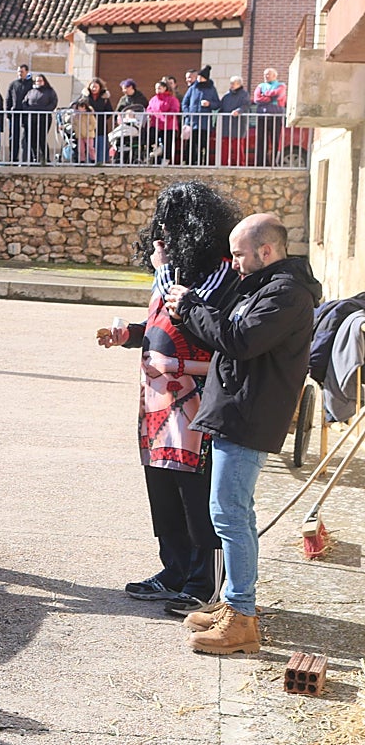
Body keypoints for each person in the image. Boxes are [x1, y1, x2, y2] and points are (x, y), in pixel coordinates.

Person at [164, 214, 320, 654]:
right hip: (238, 410)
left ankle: (241, 618)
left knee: (230, 515)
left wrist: (191, 307)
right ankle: (236, 602)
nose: (234, 263)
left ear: (265, 252)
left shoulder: (286, 293)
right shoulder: (263, 286)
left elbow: (239, 340)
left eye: (239, 255)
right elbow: (226, 334)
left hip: (249, 416)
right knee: (233, 513)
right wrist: (189, 312)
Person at [98, 182, 241, 617]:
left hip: (195, 408)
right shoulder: (175, 275)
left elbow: (207, 332)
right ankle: (175, 570)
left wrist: (176, 366)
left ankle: (204, 584)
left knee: (196, 497)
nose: (162, 235)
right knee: (164, 492)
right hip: (158, 407)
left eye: (171, 225)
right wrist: (129, 335)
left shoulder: (222, 279)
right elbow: (161, 325)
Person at [181, 66, 219, 165]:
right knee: (191, 143)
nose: (198, 79)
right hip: (192, 122)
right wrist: (187, 114)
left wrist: (209, 104)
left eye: (200, 77)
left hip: (205, 123)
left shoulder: (211, 89)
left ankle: (203, 162)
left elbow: (217, 104)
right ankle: (189, 162)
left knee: (203, 144)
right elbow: (185, 103)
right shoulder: (193, 88)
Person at [252, 68, 287, 167]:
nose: (266, 76)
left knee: (275, 140)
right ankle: (260, 163)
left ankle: (274, 163)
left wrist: (265, 94)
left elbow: (279, 95)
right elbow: (257, 99)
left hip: (276, 116)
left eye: (268, 74)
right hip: (262, 116)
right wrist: (270, 98)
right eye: (265, 74)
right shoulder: (260, 86)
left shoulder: (281, 85)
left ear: (274, 76)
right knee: (261, 140)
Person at [22, 73, 57, 164]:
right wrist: (29, 109)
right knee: (32, 139)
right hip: (32, 118)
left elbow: (53, 103)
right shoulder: (31, 92)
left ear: (44, 81)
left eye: (40, 80)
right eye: (37, 81)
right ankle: (35, 158)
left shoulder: (50, 91)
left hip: (44, 118)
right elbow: (24, 102)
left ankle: (46, 158)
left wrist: (44, 110)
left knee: (42, 138)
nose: (39, 82)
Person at [145, 80, 181, 164]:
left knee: (168, 143)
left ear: (165, 88)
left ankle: (166, 159)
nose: (157, 90)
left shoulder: (172, 99)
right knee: (151, 138)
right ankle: (155, 152)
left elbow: (175, 110)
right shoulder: (153, 99)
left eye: (159, 88)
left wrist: (165, 117)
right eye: (156, 88)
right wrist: (150, 115)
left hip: (168, 125)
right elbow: (149, 109)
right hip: (155, 123)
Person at [218, 76, 251, 167]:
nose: (231, 85)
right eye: (231, 83)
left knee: (238, 145)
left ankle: (239, 165)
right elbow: (221, 107)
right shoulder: (227, 95)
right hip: (226, 123)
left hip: (238, 124)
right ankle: (223, 164)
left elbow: (246, 105)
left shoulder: (244, 94)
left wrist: (238, 111)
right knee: (225, 145)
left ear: (239, 84)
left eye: (234, 83)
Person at [5, 64, 32, 163]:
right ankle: (13, 158)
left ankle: (28, 158)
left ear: (27, 72)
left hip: (27, 114)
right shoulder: (13, 84)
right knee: (13, 137)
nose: (20, 73)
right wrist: (8, 112)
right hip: (15, 113)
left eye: (22, 71)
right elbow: (8, 99)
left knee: (27, 137)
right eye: (19, 71)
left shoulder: (31, 84)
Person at [83, 78, 113, 165]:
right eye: (92, 86)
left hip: (101, 124)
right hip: (88, 124)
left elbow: (109, 110)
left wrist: (101, 117)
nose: (94, 88)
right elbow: (78, 105)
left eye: (96, 87)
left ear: (100, 87)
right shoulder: (85, 96)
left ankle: (100, 161)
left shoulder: (105, 97)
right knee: (90, 144)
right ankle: (90, 161)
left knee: (101, 142)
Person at [71, 97, 96, 163]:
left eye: (83, 107)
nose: (81, 109)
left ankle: (93, 159)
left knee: (90, 147)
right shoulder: (76, 116)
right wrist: (76, 130)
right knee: (81, 149)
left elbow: (93, 123)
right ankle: (82, 160)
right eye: (80, 107)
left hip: (89, 134)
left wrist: (88, 129)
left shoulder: (89, 115)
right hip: (80, 134)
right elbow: (74, 124)